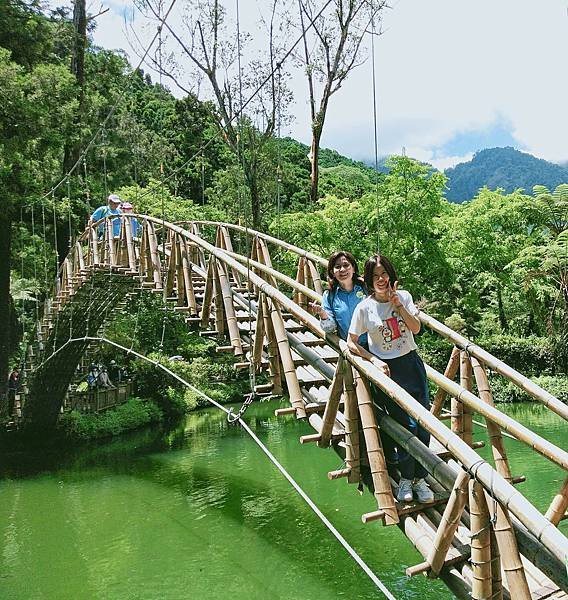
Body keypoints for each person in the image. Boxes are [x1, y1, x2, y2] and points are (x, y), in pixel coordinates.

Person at [348, 254, 434, 504]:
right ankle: (407, 479)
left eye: (384, 273)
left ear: (391, 274)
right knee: (406, 425)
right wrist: (372, 360)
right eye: (375, 276)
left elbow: (416, 329)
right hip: (388, 370)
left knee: (423, 424)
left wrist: (398, 306)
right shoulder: (365, 307)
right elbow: (351, 342)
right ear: (368, 281)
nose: (381, 279)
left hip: (411, 364)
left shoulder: (403, 296)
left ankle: (420, 478)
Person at [310, 251, 367, 344]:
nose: (342, 269)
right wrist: (322, 314)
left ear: (353, 268)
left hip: (376, 346)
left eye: (346, 265)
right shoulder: (329, 296)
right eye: (337, 267)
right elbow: (330, 328)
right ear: (332, 272)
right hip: (351, 348)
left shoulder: (366, 288)